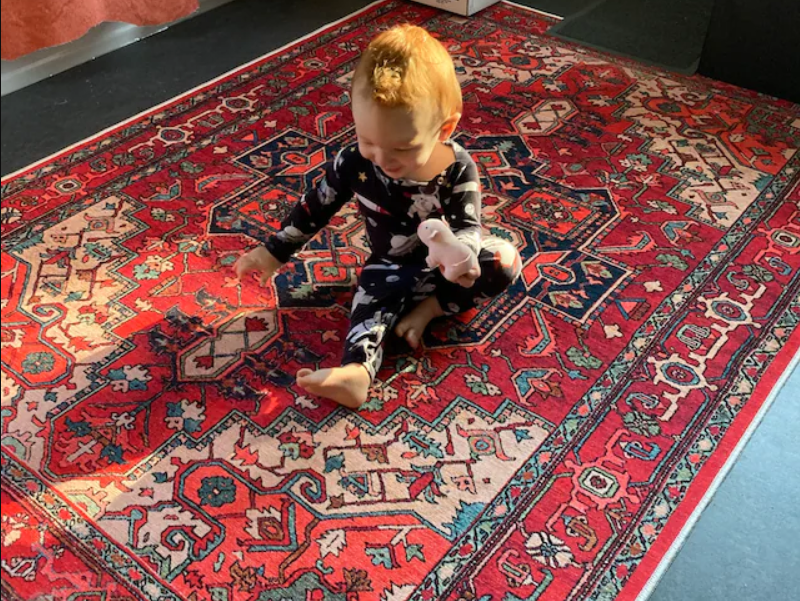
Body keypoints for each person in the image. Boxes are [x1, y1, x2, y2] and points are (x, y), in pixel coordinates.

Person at [235, 24, 521, 408]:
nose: (383, 160)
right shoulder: (354, 163)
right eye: (367, 140)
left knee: (505, 260)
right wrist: (273, 251)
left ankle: (429, 310)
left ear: (445, 128)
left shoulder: (457, 168)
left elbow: (469, 226)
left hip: (450, 270)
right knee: (369, 302)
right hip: (391, 265)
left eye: (402, 148)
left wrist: (462, 259)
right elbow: (316, 205)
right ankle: (356, 373)